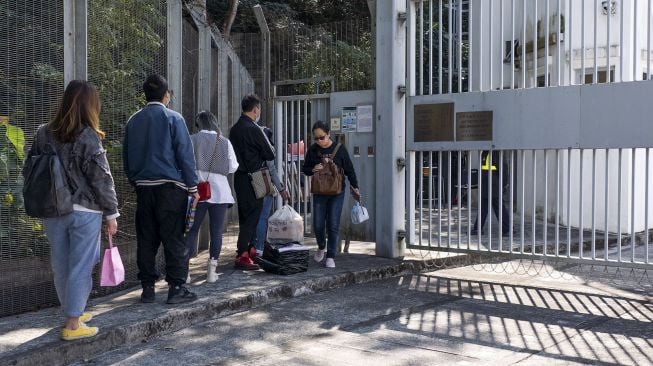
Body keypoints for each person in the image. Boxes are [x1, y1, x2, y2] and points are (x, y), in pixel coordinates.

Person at [23, 80, 119, 340]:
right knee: (81, 266)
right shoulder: (88, 135)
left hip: (52, 209)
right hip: (85, 210)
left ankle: (72, 312)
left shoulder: (43, 132)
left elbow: (29, 169)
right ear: (91, 106)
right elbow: (101, 178)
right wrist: (111, 214)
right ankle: (74, 325)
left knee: (61, 264)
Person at [123, 74, 199, 304]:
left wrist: (135, 180)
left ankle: (147, 288)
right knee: (174, 238)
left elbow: (127, 157)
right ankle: (176, 288)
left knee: (146, 239)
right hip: (171, 189)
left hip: (144, 189)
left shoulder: (133, 121)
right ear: (166, 95)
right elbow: (185, 155)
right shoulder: (174, 119)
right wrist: (193, 186)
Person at [186, 111, 238, 283]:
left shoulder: (191, 139)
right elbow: (233, 167)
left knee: (192, 230)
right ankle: (211, 271)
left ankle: (184, 272)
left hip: (197, 193)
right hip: (220, 193)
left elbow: (185, 163)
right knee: (216, 231)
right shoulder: (224, 141)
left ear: (198, 124)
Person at [302, 121, 360, 268]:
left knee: (333, 224)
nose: (319, 141)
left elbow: (350, 169)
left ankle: (331, 255)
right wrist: (313, 168)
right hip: (319, 191)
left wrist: (355, 186)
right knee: (318, 224)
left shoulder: (339, 149)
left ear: (328, 134)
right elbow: (306, 169)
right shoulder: (313, 150)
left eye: (322, 137)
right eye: (316, 138)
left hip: (337, 192)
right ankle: (321, 246)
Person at [229, 94, 275, 270]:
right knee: (254, 215)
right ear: (256, 109)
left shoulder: (234, 129)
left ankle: (248, 250)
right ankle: (243, 254)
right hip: (255, 176)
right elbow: (270, 153)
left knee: (244, 215)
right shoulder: (255, 128)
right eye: (259, 110)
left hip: (239, 177)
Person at [250, 126, 289, 256]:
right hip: (265, 186)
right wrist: (281, 189)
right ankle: (259, 248)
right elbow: (272, 171)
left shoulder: (250, 148)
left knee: (251, 218)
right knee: (262, 218)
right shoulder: (268, 149)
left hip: (250, 185)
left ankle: (250, 247)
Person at [472, 150, 510, 236]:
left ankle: (507, 229)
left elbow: (503, 167)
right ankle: (477, 229)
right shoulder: (487, 152)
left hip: (492, 184)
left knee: (497, 207)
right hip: (489, 183)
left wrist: (504, 183)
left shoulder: (494, 152)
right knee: (488, 207)